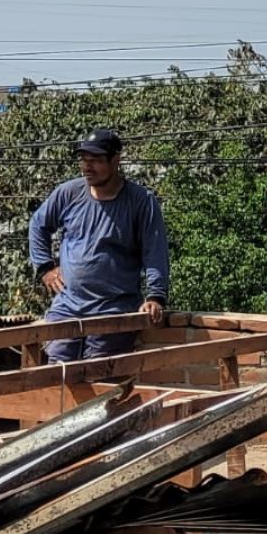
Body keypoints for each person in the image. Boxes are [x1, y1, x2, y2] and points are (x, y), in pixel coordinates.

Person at [29, 128, 170, 362]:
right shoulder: (69, 193)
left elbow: (155, 252)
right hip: (68, 306)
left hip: (114, 310)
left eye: (95, 161)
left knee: (100, 375)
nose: (87, 167)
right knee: (56, 372)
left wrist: (155, 296)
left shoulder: (140, 201)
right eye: (84, 160)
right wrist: (45, 267)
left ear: (116, 161)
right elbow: (37, 225)